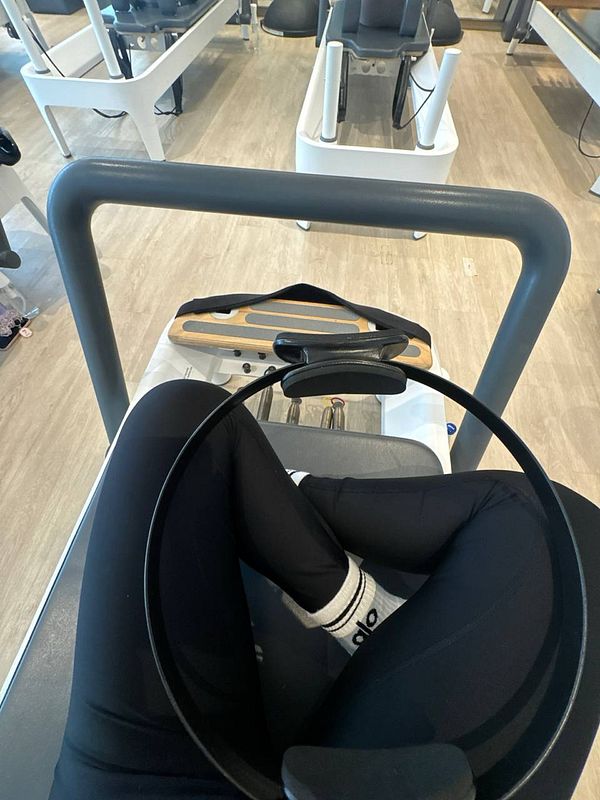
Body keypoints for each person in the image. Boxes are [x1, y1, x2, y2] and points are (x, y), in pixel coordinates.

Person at [50, 379, 554, 800]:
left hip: (135, 783)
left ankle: (281, 509)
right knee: (545, 523)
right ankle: (286, 511)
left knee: (180, 416)